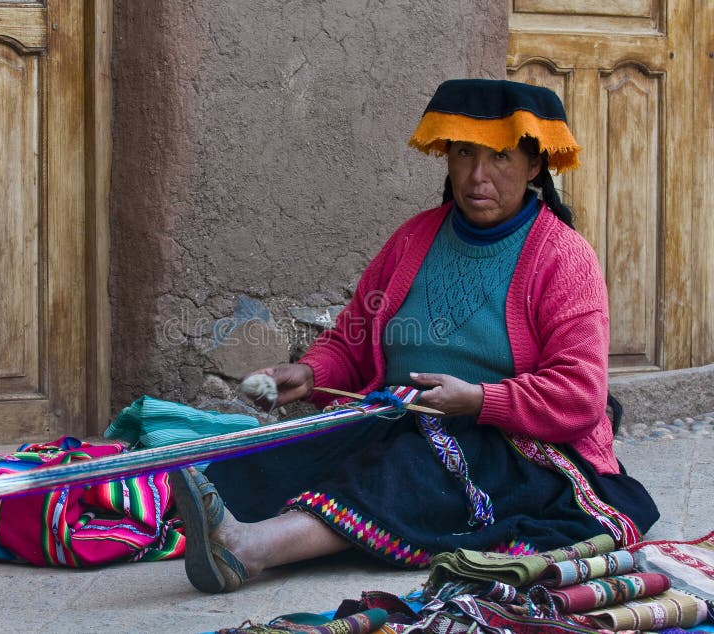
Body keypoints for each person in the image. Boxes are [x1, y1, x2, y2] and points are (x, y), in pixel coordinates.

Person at [170, 78, 659, 594]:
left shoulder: (563, 258)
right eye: (464, 153)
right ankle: (208, 519)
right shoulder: (413, 239)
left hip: (513, 445)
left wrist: (477, 399)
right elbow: (354, 337)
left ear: (535, 166)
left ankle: (249, 549)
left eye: (500, 157)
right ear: (446, 155)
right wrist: (311, 373)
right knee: (274, 458)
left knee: (406, 471)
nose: (477, 176)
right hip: (400, 416)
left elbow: (581, 395)